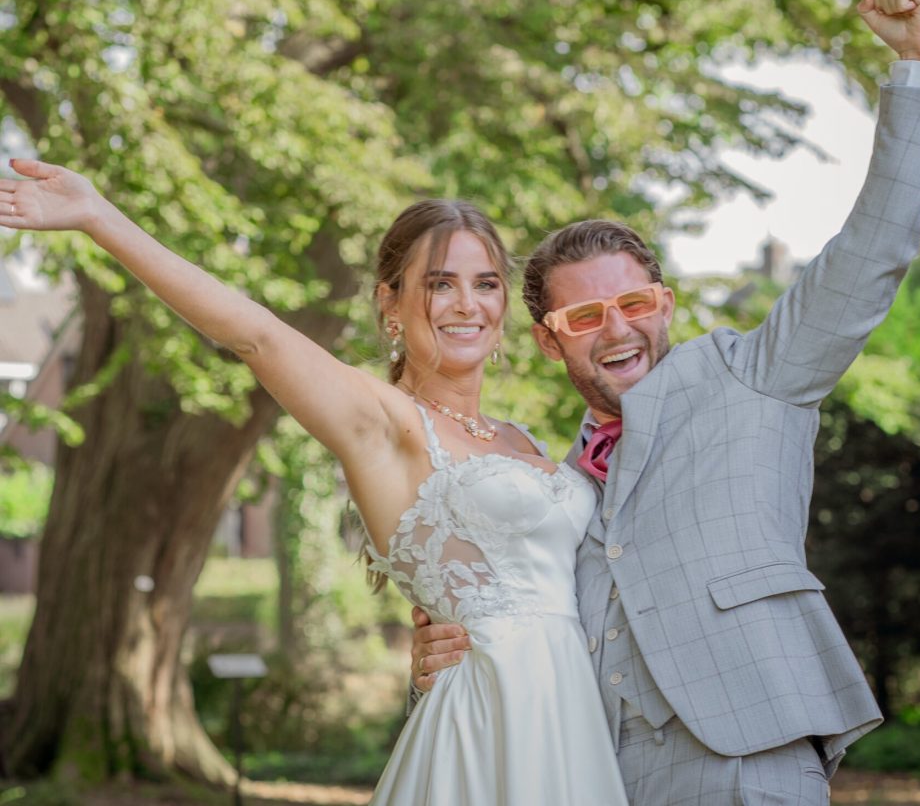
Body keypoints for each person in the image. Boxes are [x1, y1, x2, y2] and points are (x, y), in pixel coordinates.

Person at [410, 0, 920, 804]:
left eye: (634, 304)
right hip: (600, 774)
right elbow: (517, 626)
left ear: (664, 304)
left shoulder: (754, 374)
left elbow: (869, 253)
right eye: (588, 315)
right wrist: (437, 660)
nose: (619, 329)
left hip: (749, 753)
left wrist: (918, 65)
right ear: (548, 337)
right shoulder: (549, 489)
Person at [0, 179, 629, 803]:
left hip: (574, 709)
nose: (468, 304)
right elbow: (257, 335)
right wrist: (99, 217)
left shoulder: (520, 439)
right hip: (493, 718)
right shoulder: (381, 421)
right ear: (391, 303)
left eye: (485, 283)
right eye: (440, 284)